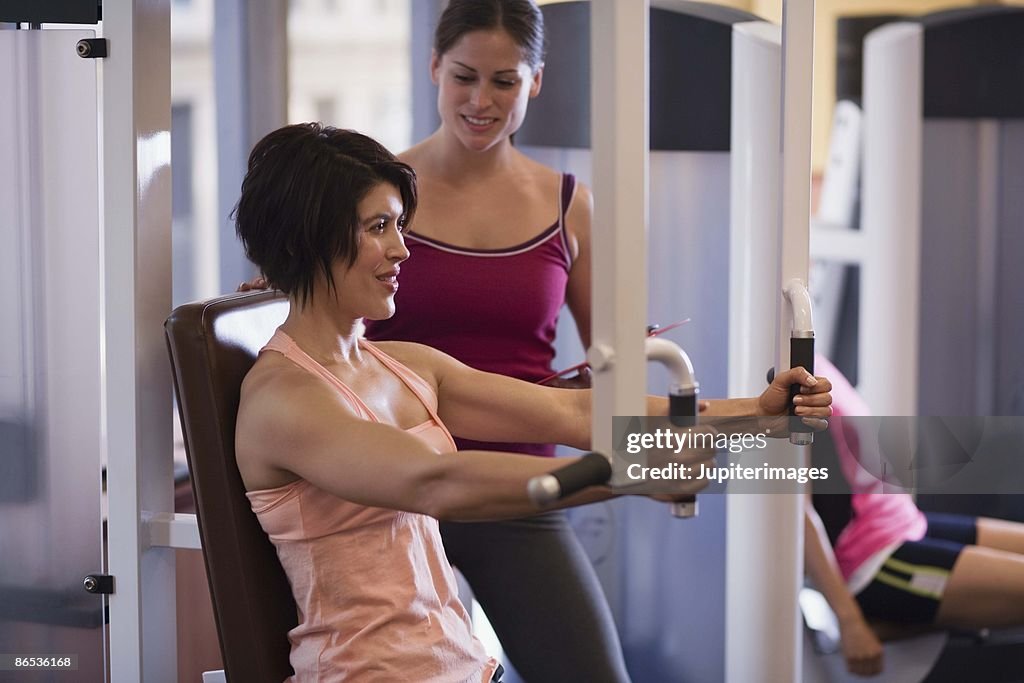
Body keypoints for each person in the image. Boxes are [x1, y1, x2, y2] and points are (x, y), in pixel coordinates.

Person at [232, 122, 833, 681]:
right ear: (310, 236)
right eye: (377, 227)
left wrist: (757, 413)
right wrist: (624, 475)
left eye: (398, 226)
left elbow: (572, 414)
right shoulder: (284, 400)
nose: (402, 251)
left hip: (460, 665)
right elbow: (435, 481)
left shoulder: (404, 364)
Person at [358, 2, 613, 679]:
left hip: (519, 489)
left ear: (534, 83)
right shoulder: (369, 192)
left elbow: (609, 365)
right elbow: (318, 335)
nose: (480, 99)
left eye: (505, 81)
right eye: (465, 76)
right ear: (434, 67)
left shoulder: (569, 204)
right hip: (393, 493)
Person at [804, 355, 1024, 677]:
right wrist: (849, 621)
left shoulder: (814, 356)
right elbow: (798, 514)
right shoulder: (785, 372)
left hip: (907, 524)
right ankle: (891, 619)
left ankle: (902, 622)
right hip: (873, 559)